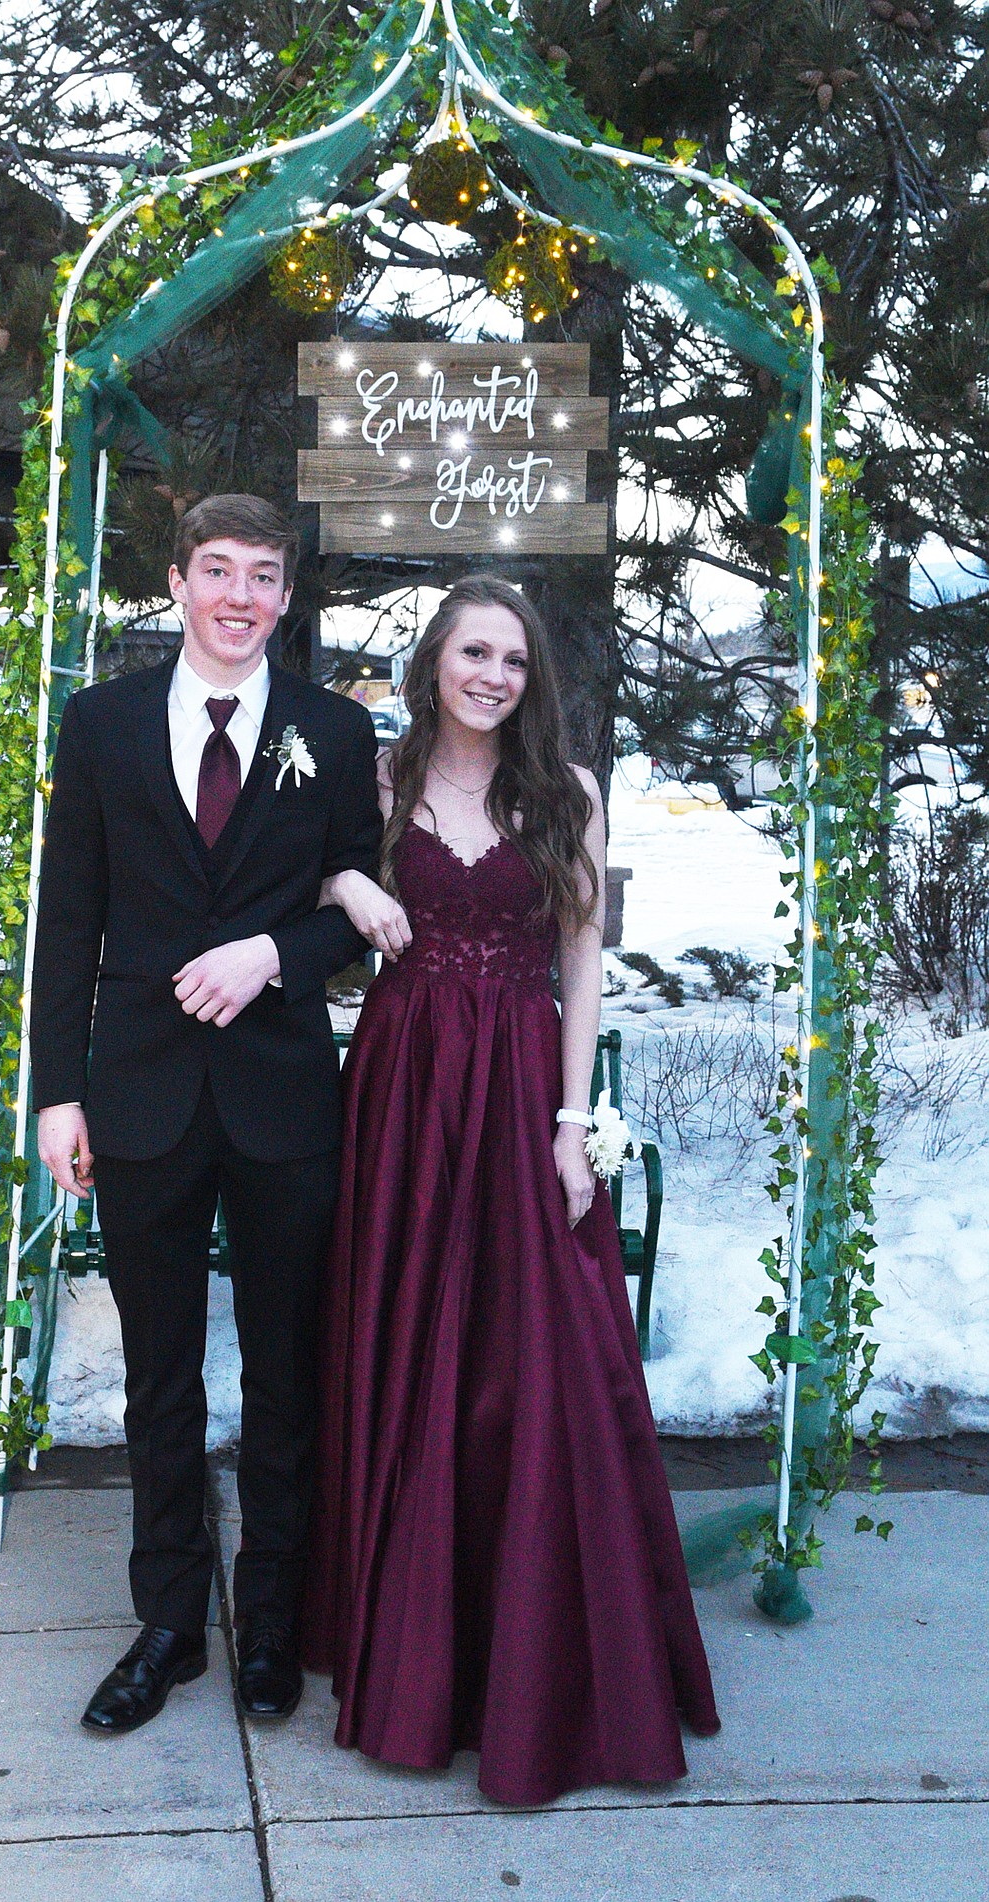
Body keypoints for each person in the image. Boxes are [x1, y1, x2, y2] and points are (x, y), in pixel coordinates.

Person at [302, 575, 720, 1806]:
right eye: (473, 652)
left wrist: (573, 1123)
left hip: (522, 1078)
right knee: (406, 1344)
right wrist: (346, 884)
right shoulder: (377, 780)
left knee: (535, 1358)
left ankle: (539, 1660)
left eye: (515, 660)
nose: (493, 674)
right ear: (435, 660)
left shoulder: (568, 794)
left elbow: (582, 966)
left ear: (533, 679)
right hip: (404, 1083)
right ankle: (411, 1640)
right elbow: (309, 876)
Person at [30, 494, 381, 1734]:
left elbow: (359, 907)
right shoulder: (104, 722)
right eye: (217, 571)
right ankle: (172, 1619)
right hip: (139, 1094)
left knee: (287, 1370)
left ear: (287, 598)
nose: (240, 595)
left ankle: (271, 1617)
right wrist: (56, 1091)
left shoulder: (337, 732)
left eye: (264, 576)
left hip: (283, 1098)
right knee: (158, 1377)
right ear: (177, 583)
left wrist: (272, 956)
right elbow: (67, 916)